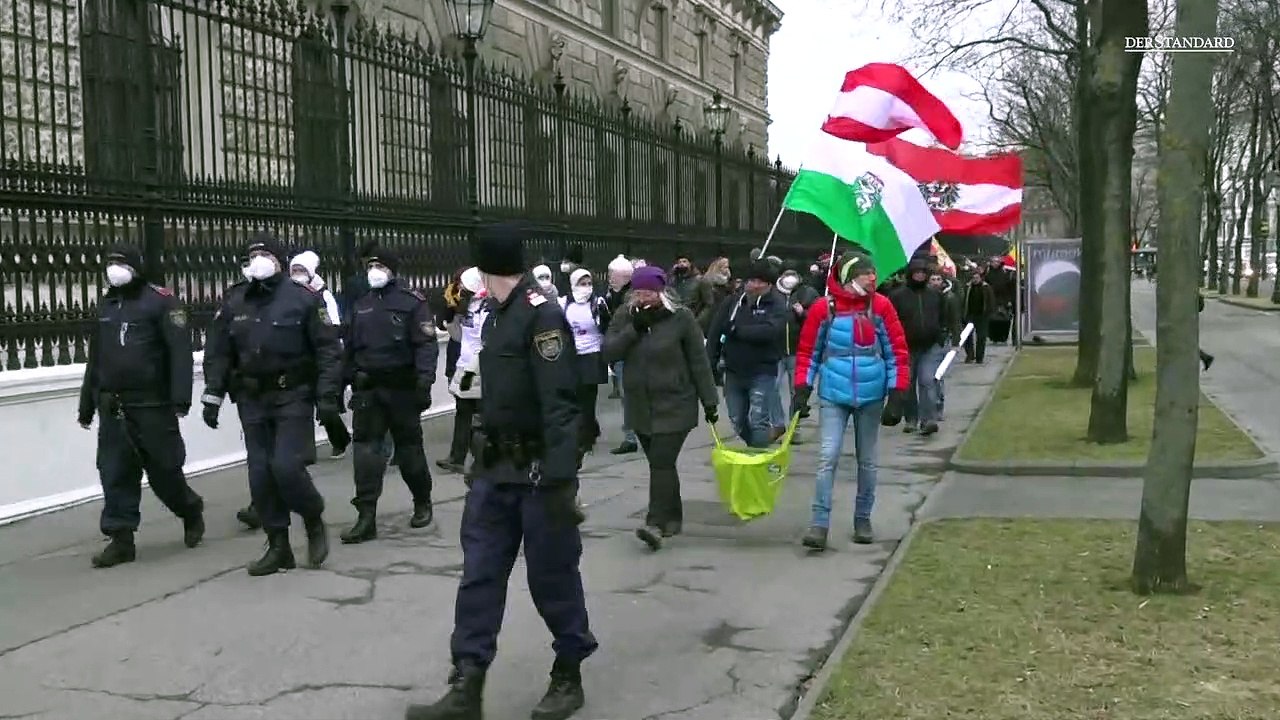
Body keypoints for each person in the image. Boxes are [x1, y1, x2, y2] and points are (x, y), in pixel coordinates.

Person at [406, 224, 595, 720]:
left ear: (490, 270)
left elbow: (561, 404)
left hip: (537, 474)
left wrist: (560, 480)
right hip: (495, 471)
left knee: (552, 577)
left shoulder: (541, 315)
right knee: (479, 576)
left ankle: (569, 672)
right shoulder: (495, 314)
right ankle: (467, 684)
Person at [201, 234, 343, 576]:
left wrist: (326, 397)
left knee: (286, 467)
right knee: (261, 474)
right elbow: (219, 351)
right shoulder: (235, 300)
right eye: (253, 256)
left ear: (280, 261)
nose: (259, 261)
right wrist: (213, 395)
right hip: (251, 398)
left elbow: (328, 350)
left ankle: (312, 518)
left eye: (266, 254)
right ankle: (278, 546)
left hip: (292, 393)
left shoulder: (303, 298)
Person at [76, 244, 203, 568]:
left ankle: (189, 509)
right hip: (114, 404)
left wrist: (180, 398)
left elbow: (179, 352)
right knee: (114, 470)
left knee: (164, 471)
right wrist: (87, 402)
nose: (113, 269)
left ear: (135, 267)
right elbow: (96, 357)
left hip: (152, 404)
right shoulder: (107, 304)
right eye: (110, 263)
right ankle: (121, 538)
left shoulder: (161, 302)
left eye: (120, 263)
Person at [792, 253, 910, 549]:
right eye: (865, 272)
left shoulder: (881, 306)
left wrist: (897, 394)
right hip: (833, 394)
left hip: (871, 396)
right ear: (848, 276)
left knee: (867, 461)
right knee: (827, 457)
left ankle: (862, 519)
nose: (872, 277)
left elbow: (897, 352)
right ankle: (819, 524)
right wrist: (802, 388)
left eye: (873, 272)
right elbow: (808, 352)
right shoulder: (824, 308)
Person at [603, 265, 718, 551]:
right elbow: (609, 351)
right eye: (639, 293)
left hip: (676, 403)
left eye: (649, 293)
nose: (644, 298)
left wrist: (710, 401)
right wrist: (634, 330)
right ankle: (673, 518)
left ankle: (654, 523)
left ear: (662, 292)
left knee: (661, 461)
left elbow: (698, 361)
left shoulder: (681, 317)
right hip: (640, 405)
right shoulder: (625, 315)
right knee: (661, 465)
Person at [339, 246, 438, 544]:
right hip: (369, 390)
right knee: (366, 455)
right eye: (371, 266)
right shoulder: (362, 305)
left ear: (393, 270)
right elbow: (350, 348)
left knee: (409, 451)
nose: (374, 272)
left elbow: (425, 345)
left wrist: (424, 382)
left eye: (380, 266)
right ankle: (366, 516)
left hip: (402, 389)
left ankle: (422, 501)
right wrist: (341, 382)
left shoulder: (412, 302)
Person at [706, 259, 788, 448]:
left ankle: (759, 455)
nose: (755, 285)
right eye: (751, 280)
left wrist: (738, 331)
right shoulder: (733, 302)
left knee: (758, 419)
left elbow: (771, 330)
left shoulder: (776, 304)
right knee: (737, 418)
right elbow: (716, 331)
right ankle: (755, 445)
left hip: (762, 370)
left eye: (761, 282)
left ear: (769, 284)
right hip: (733, 370)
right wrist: (710, 363)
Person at [291, 251, 352, 458]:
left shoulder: (322, 295)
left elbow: (332, 326)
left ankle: (340, 439)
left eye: (301, 270)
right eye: (294, 270)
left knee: (326, 406)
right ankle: (304, 451)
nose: (297, 274)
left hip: (325, 357)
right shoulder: (288, 295)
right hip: (300, 359)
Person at [886, 257, 953, 436]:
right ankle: (911, 419)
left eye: (923, 273)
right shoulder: (897, 296)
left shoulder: (935, 295)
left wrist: (942, 334)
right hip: (906, 346)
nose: (920, 276)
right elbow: (890, 320)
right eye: (917, 273)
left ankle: (928, 419)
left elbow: (943, 316)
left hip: (930, 345)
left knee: (927, 381)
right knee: (908, 384)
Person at [438, 267, 487, 474]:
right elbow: (457, 335)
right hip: (465, 364)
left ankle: (482, 460)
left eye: (463, 286)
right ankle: (457, 457)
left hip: (480, 366)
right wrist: (450, 312)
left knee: (480, 416)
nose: (460, 289)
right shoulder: (468, 306)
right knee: (463, 412)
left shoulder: (488, 307)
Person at [560, 268, 611, 468]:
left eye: (589, 283)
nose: (586, 288)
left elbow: (607, 327)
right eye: (582, 283)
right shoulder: (565, 303)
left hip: (592, 354)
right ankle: (588, 427)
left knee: (588, 398)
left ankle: (585, 438)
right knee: (574, 396)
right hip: (572, 355)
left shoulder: (598, 303)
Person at [772, 263, 821, 436]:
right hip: (776, 350)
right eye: (786, 274)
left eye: (792, 273)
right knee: (772, 388)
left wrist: (803, 313)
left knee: (797, 391)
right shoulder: (773, 293)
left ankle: (794, 426)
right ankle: (777, 423)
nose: (789, 278)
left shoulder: (808, 293)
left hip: (798, 349)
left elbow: (818, 318)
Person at [604, 255, 633, 400]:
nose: (610, 278)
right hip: (616, 334)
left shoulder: (629, 295)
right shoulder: (612, 291)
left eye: (612, 275)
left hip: (624, 336)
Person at [960, 269, 995, 364]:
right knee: (967, 336)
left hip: (982, 316)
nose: (975, 280)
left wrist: (989, 313)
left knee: (981, 337)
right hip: (969, 315)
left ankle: (979, 357)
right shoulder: (967, 287)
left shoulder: (986, 288)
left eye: (977, 278)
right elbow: (963, 300)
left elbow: (991, 301)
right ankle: (970, 355)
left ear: (980, 278)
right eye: (973, 278)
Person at [671, 254, 712, 322]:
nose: (681, 264)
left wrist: (698, 321)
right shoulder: (674, 281)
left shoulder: (701, 280)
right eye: (679, 262)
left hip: (693, 318)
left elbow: (708, 304)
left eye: (684, 261)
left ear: (690, 263)